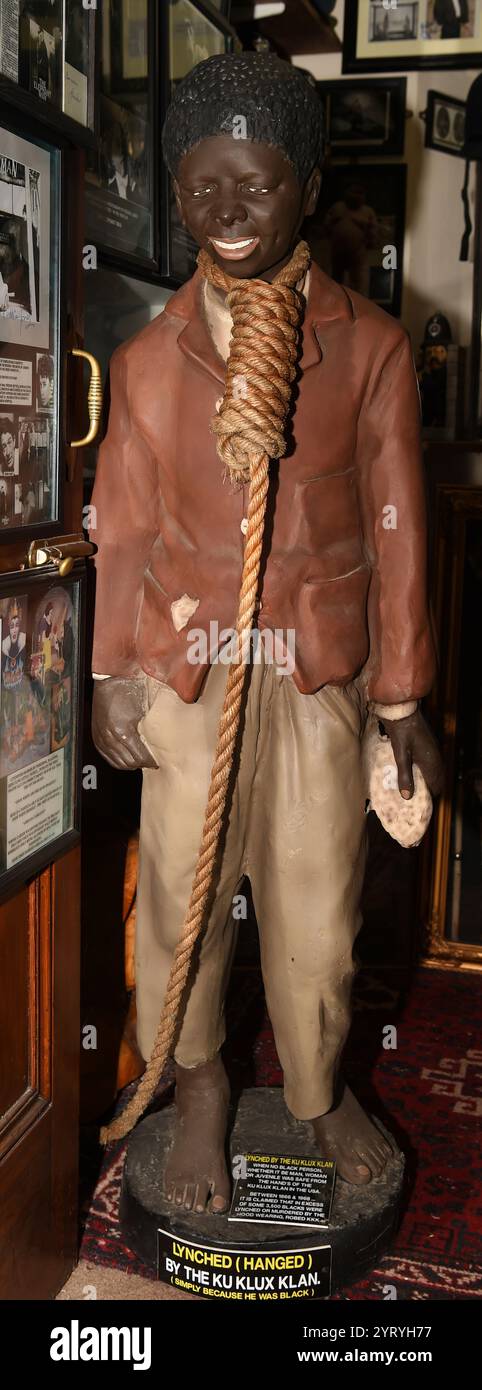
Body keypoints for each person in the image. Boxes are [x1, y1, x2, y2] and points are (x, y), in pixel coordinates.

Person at [91, 54, 442, 1214]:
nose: (227, 214)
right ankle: (193, 1079)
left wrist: (400, 700)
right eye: (200, 191)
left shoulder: (374, 348)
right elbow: (125, 531)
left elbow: (395, 531)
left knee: (314, 900)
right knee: (181, 901)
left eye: (255, 184)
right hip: (191, 675)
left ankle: (313, 1087)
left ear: (304, 183)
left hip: (314, 672)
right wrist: (108, 674)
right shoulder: (146, 366)